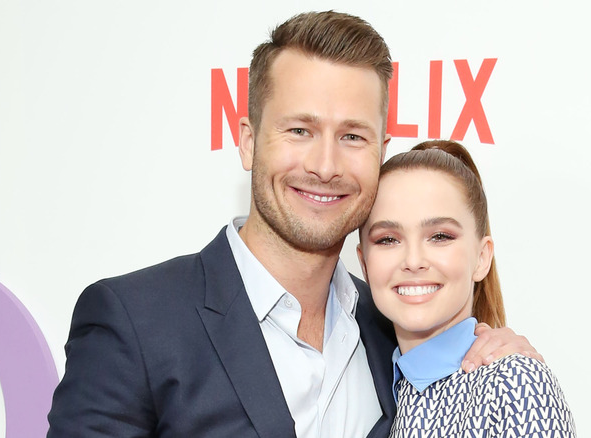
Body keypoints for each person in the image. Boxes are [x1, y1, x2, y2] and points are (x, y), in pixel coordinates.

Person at [47, 12, 541, 438]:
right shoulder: (135, 322)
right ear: (247, 140)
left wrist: (510, 365)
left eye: (352, 135)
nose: (325, 165)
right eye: (300, 130)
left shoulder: (394, 325)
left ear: (380, 151)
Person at [357, 140, 576, 438]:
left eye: (440, 236)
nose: (413, 261)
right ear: (364, 263)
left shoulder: (514, 385)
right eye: (388, 239)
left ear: (482, 257)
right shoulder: (370, 380)